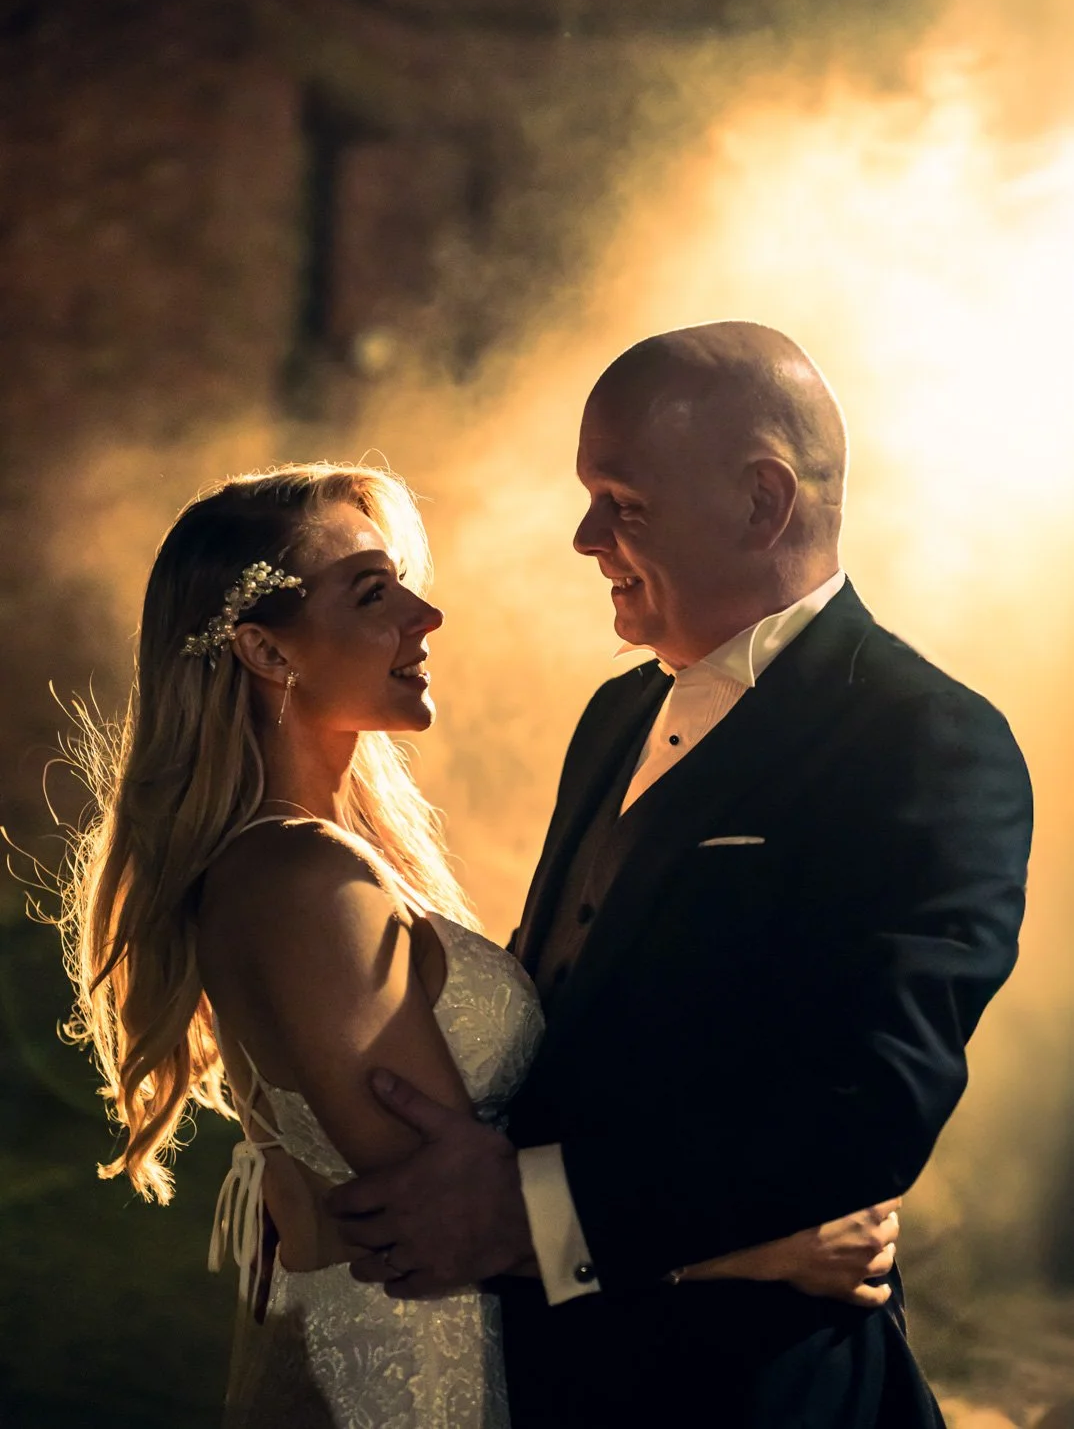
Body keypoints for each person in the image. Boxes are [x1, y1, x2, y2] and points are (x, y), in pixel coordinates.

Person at [58, 457, 900, 1429]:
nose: (425, 616)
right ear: (266, 650)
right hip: (403, 1385)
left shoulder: (329, 860)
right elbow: (451, 1221)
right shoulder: (297, 880)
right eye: (372, 594)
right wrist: (771, 1248)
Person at [330, 323, 1034, 1428]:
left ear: (762, 502)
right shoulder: (616, 714)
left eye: (623, 503)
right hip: (546, 1376)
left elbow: (870, 1105)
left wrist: (535, 1218)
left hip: (752, 1391)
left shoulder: (926, 742)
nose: (584, 537)